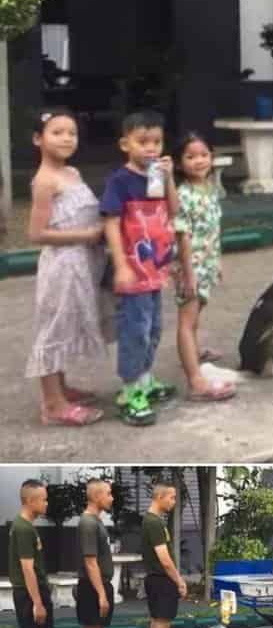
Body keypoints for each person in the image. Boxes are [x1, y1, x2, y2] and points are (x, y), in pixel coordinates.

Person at [25, 108, 106, 426]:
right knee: (53, 329)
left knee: (68, 323)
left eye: (71, 132)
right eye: (57, 132)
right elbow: (36, 233)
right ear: (38, 139)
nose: (66, 138)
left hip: (83, 263)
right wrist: (86, 235)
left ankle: (61, 387)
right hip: (62, 264)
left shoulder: (73, 173)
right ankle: (53, 404)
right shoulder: (44, 181)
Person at [100, 110, 178, 426]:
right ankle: (129, 391)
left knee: (154, 328)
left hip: (155, 270)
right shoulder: (120, 181)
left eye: (156, 142)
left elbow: (175, 210)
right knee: (135, 331)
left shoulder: (157, 176)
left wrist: (170, 177)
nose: (151, 148)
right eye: (142, 141)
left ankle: (145, 380)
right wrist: (120, 266)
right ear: (125, 143)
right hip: (133, 272)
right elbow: (111, 223)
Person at [171, 132, 235, 402]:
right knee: (187, 321)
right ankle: (196, 381)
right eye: (191, 156)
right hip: (191, 266)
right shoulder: (183, 194)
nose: (199, 161)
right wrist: (188, 272)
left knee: (196, 317)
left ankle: (194, 354)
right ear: (178, 163)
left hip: (206, 262)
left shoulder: (208, 187)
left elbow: (212, 228)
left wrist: (216, 261)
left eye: (204, 155)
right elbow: (182, 235)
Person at [8, 479, 57, 628]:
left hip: (32, 590)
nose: (46, 503)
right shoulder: (23, 528)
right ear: (29, 501)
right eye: (43, 499)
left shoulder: (24, 526)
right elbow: (27, 568)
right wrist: (37, 602)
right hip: (29, 592)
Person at [141, 480, 186, 628]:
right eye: (172, 497)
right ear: (159, 497)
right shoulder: (155, 523)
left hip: (155, 580)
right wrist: (179, 581)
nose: (174, 502)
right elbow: (165, 559)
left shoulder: (152, 520)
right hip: (162, 581)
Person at [76, 479, 116, 628]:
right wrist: (101, 594)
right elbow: (90, 562)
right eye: (108, 494)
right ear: (97, 496)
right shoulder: (88, 523)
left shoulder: (95, 521)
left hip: (99, 585)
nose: (112, 497)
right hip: (92, 586)